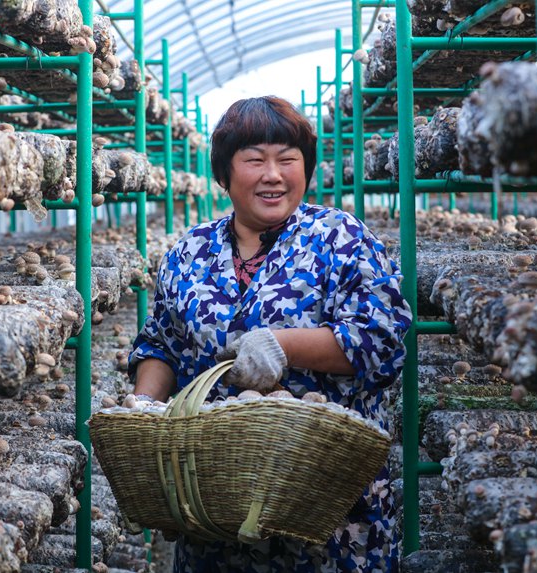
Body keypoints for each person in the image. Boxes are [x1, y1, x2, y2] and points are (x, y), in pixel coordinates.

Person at [128, 95, 412, 573]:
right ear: (225, 173)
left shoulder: (340, 238)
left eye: (287, 159)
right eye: (255, 160)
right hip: (212, 506)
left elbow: (381, 338)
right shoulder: (189, 252)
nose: (273, 175)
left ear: (307, 168)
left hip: (326, 512)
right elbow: (162, 343)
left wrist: (285, 346)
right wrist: (145, 410)